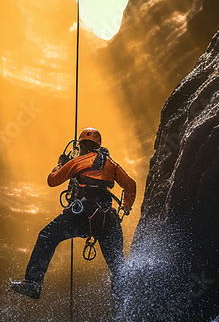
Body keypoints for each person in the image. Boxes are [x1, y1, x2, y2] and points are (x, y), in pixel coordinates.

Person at [10, 127, 136, 299]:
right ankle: (128, 302)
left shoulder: (77, 162)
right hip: (107, 220)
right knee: (118, 266)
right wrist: (126, 207)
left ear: (82, 145)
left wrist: (60, 165)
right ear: (98, 146)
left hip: (82, 216)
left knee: (47, 236)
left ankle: (33, 283)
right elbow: (130, 185)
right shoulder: (111, 164)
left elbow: (52, 181)